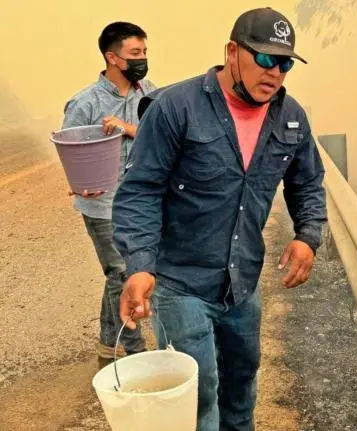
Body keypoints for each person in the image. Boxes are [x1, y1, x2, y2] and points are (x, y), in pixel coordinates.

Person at [112, 7, 326, 430]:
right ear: (232, 51)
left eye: (285, 63)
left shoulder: (292, 117)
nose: (276, 72)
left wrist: (308, 235)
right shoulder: (176, 108)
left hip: (242, 283)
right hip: (181, 281)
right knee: (200, 395)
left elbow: (308, 183)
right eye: (265, 58)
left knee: (241, 385)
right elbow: (140, 191)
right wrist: (139, 265)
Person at [61, 21, 156, 366]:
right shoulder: (85, 103)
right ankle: (135, 354)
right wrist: (78, 179)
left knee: (119, 273)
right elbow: (69, 147)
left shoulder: (149, 92)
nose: (142, 59)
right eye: (135, 53)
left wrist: (126, 128)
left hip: (139, 201)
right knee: (122, 272)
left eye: (144, 52)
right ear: (112, 57)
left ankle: (107, 343)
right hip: (101, 205)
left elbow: (160, 132)